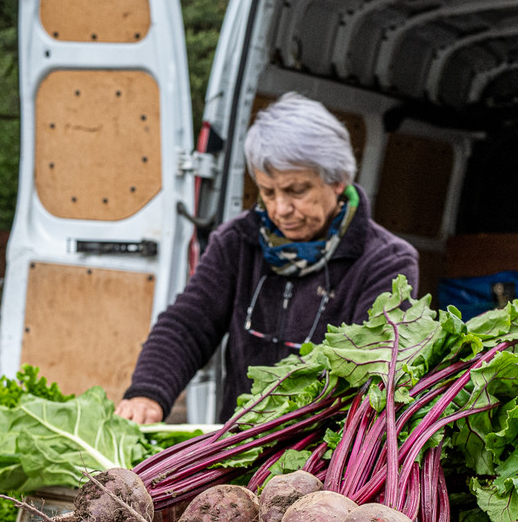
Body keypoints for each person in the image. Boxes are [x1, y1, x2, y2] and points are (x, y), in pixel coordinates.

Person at [117, 92, 418, 425]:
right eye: (268, 192)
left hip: (322, 455)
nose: (280, 210)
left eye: (296, 191)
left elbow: (374, 374)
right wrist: (147, 393)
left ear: (337, 180)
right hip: (236, 446)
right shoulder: (237, 242)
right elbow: (188, 324)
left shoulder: (386, 262)